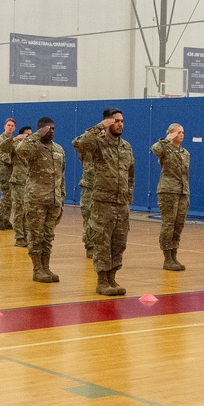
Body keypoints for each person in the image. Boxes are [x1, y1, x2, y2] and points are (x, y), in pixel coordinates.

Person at [74, 108, 134, 296]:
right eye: (116, 121)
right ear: (108, 123)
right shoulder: (98, 144)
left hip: (121, 203)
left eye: (122, 121)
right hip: (102, 202)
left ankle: (112, 278)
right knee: (102, 242)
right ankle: (102, 281)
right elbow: (80, 144)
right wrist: (100, 126)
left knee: (119, 242)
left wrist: (129, 193)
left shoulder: (126, 147)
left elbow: (130, 173)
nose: (120, 124)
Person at [18, 117, 65, 283]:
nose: (51, 132)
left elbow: (61, 175)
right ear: (40, 129)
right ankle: (37, 269)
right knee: (35, 236)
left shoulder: (58, 149)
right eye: (48, 129)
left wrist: (62, 196)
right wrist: (36, 135)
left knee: (48, 236)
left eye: (53, 129)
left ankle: (46, 268)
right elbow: (20, 150)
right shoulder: (32, 147)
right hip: (36, 200)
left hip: (53, 201)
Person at [151, 123, 190, 271]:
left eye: (182, 132)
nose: (181, 135)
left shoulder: (186, 153)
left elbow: (186, 175)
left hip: (182, 192)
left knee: (178, 225)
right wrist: (167, 139)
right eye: (178, 132)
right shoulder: (164, 149)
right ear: (171, 133)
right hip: (168, 191)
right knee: (168, 224)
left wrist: (186, 193)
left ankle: (174, 256)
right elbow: (155, 149)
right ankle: (167, 258)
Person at [71, 126, 99, 259]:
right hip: (89, 188)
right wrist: (94, 132)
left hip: (104, 189)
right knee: (89, 219)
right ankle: (90, 246)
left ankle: (101, 246)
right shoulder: (85, 150)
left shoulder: (107, 150)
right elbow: (76, 142)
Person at [9, 126, 33, 247]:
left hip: (29, 182)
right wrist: (16, 138)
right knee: (19, 210)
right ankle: (19, 237)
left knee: (28, 211)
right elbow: (2, 147)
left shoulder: (32, 148)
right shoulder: (15, 146)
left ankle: (27, 235)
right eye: (27, 135)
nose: (29, 136)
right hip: (18, 181)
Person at [0, 118, 17, 230]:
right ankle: (1, 221)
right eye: (8, 125)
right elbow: (4, 157)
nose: (10, 127)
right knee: (6, 197)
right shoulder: (0, 139)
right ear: (4, 126)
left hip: (12, 172)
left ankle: (6, 220)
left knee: (10, 198)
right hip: (4, 172)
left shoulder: (14, 140)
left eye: (12, 126)